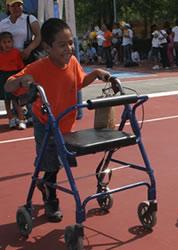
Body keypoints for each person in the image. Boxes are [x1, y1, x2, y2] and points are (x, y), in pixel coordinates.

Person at [5, 18, 110, 222]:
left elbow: (79, 82)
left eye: (71, 43)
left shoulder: (72, 62)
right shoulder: (38, 68)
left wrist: (96, 73)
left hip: (65, 124)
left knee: (59, 162)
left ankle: (45, 183)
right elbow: (9, 86)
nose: (69, 48)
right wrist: (21, 80)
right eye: (62, 45)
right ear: (47, 47)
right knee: (51, 164)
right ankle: (51, 199)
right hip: (45, 123)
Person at [0, 0, 41, 65]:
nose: (17, 8)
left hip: (25, 58)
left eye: (19, 5)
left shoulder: (30, 18)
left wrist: (29, 49)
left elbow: (38, 36)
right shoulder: (3, 23)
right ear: (8, 7)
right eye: (13, 6)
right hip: (8, 60)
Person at [0, 31, 26, 129]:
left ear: (12, 42)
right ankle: (11, 119)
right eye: (4, 42)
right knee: (7, 101)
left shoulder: (16, 53)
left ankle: (22, 119)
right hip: (3, 78)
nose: (7, 44)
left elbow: (21, 67)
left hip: (14, 77)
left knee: (17, 100)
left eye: (9, 42)